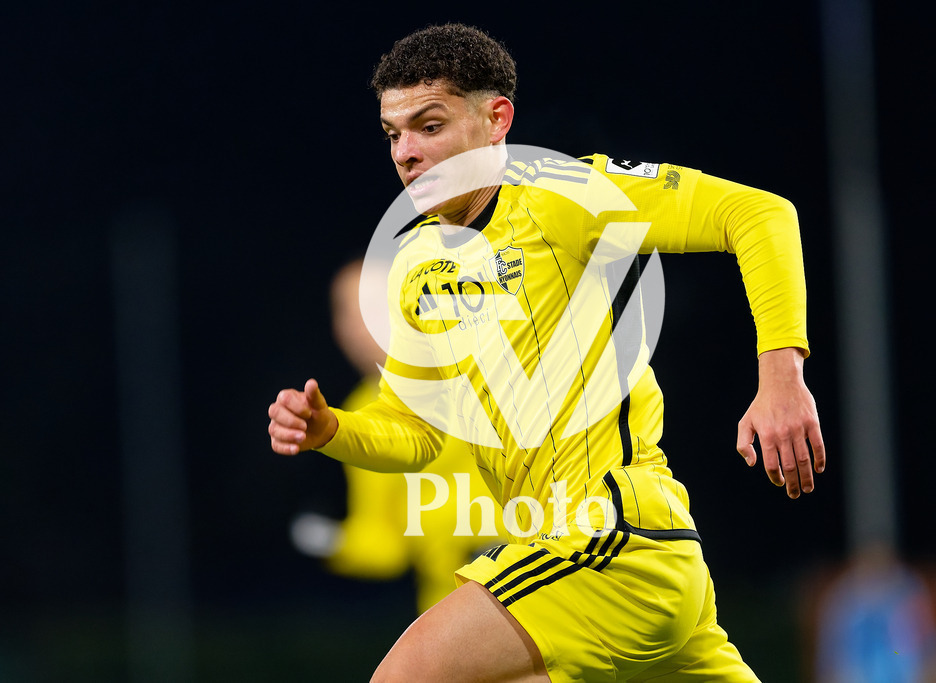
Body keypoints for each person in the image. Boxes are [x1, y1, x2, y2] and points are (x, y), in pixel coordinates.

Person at [268, 23, 825, 682]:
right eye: (394, 134)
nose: (407, 152)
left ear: (496, 118)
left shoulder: (564, 197)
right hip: (611, 563)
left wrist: (781, 375)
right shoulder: (416, 261)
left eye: (429, 125)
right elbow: (416, 430)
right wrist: (333, 429)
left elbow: (759, 216)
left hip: (606, 538)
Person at [290, 260, 503, 615]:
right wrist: (332, 541)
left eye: (374, 304)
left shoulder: (480, 363)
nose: (361, 325)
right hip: (450, 604)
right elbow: (386, 543)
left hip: (541, 582)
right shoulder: (353, 415)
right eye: (346, 311)